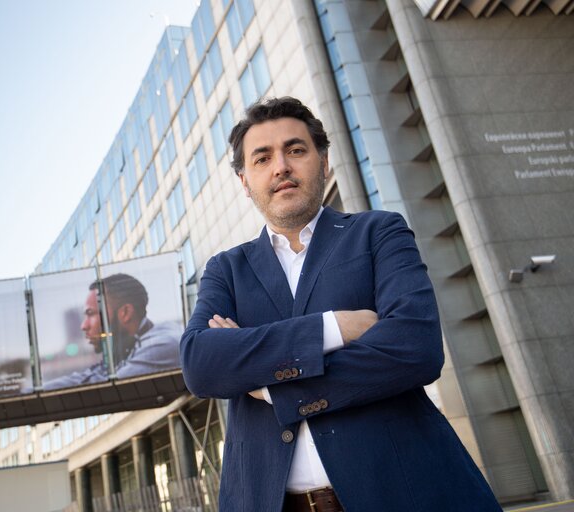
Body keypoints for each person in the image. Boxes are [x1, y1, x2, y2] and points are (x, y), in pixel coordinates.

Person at [180, 97, 501, 511]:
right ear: (245, 181)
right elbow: (202, 364)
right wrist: (331, 328)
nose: (281, 166)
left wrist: (270, 386)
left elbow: (414, 348)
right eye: (262, 158)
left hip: (403, 493)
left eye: (295, 150)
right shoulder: (226, 270)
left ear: (324, 162)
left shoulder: (378, 233)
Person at [44, 273, 181, 389]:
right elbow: (91, 376)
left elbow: (105, 385)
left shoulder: (161, 346)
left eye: (91, 313)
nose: (84, 326)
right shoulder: (130, 345)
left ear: (125, 313)